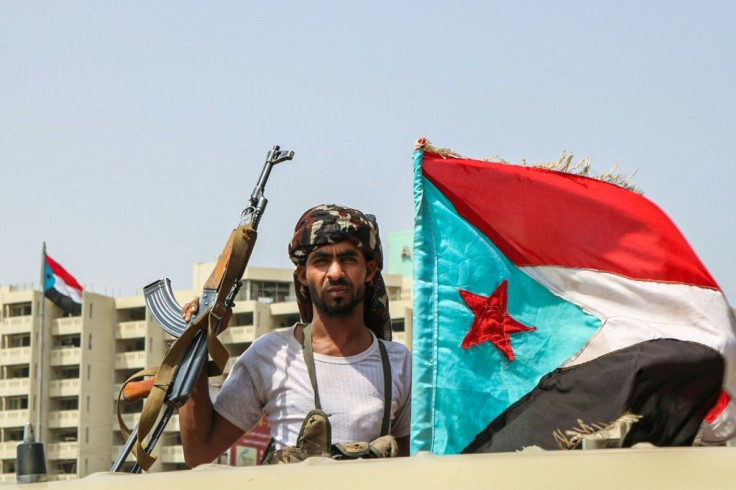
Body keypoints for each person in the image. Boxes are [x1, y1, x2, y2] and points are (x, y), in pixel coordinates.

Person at [179, 204, 412, 467]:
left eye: (348, 259)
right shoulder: (272, 354)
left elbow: (407, 466)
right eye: (321, 261)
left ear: (369, 271)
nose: (335, 273)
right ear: (303, 275)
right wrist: (195, 345)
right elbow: (199, 453)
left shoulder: (398, 362)